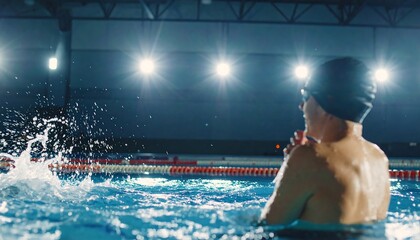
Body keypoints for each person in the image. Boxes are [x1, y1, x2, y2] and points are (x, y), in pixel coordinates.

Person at [260, 57, 390, 225]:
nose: (301, 105)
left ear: (325, 99)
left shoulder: (309, 158)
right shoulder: (378, 158)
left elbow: (268, 226)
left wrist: (291, 165)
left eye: (306, 96)